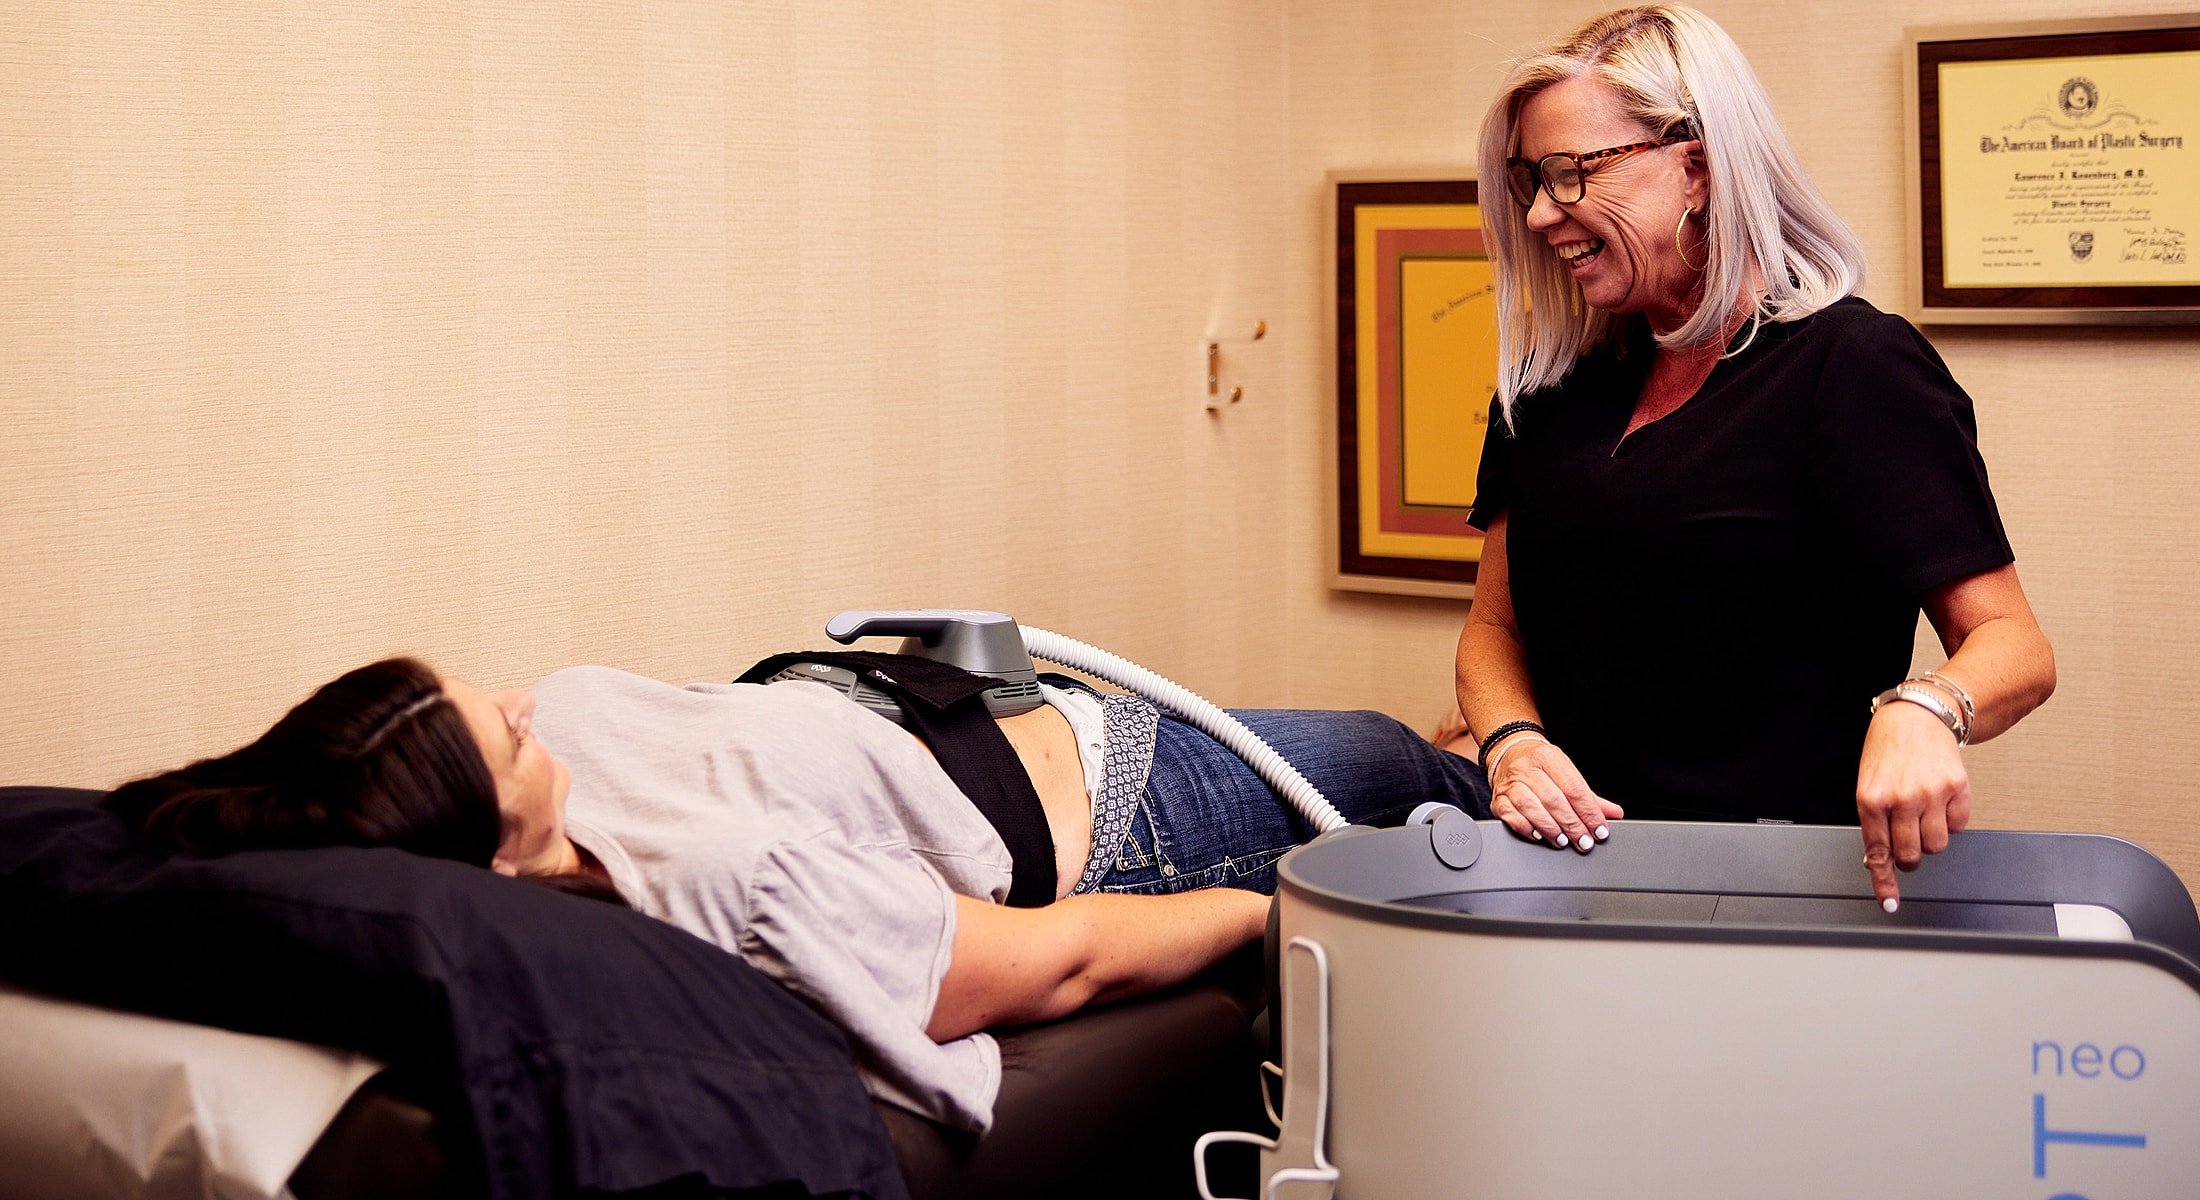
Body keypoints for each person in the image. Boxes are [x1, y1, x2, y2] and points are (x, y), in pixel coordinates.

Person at [106, 654, 1488, 1132]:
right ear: (494, 862)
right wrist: (1265, 921)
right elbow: (1057, 960)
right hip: (1126, 812)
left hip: (1002, 716)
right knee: (1403, 763)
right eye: (509, 740)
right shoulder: (729, 884)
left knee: (1433, 755)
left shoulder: (497, 811)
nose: (526, 707)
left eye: (490, 696)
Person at [1452, 5, 2055, 910]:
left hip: (1769, 891)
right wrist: (1512, 745)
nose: (1541, 213)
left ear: (1695, 168)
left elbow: (2015, 645)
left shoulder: (1851, 366)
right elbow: (1493, 631)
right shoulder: (1549, 387)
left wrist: (1924, 706)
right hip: (1559, 871)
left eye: (1572, 173)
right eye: (1531, 180)